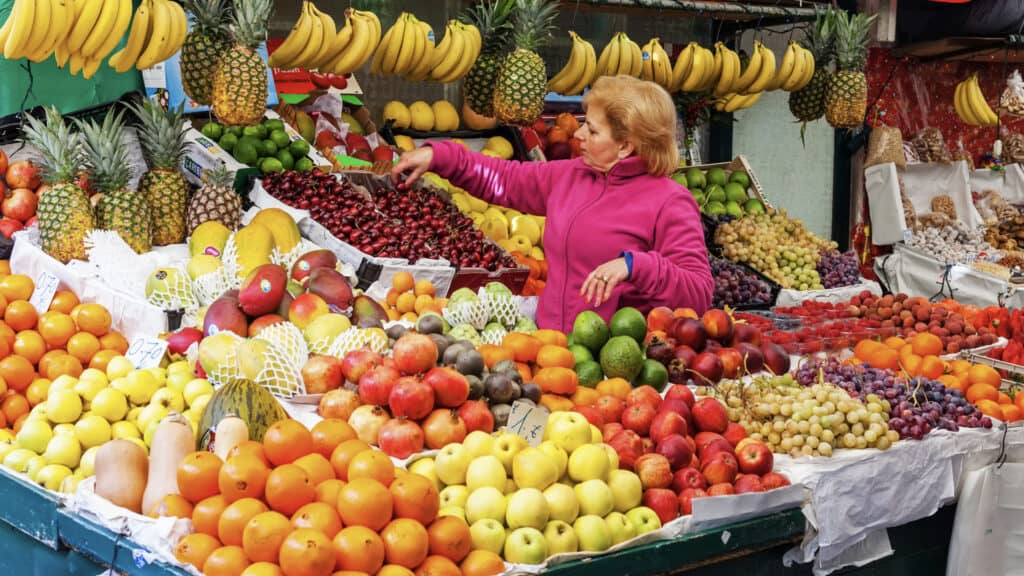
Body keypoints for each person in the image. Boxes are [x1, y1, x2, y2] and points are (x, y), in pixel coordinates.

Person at [391, 75, 713, 332]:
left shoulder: (670, 202)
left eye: (593, 129)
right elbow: (505, 179)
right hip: (550, 348)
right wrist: (440, 156)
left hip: (615, 371)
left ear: (626, 146)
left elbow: (698, 293)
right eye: (584, 123)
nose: (579, 135)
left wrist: (635, 266)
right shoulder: (571, 176)